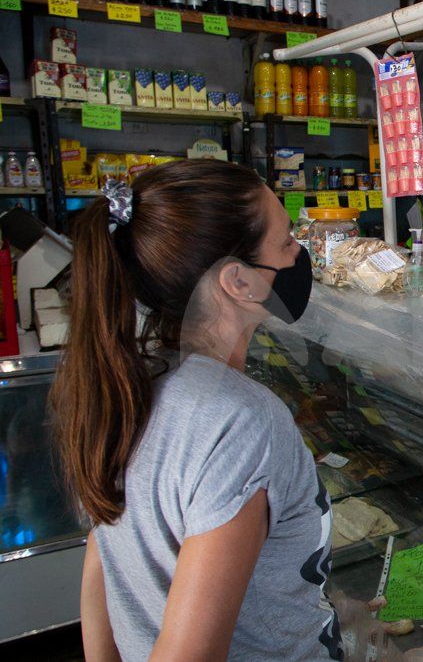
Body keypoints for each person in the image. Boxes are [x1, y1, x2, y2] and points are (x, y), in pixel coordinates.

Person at [49, 161, 341, 660]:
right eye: (287, 239)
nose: (300, 253)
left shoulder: (133, 380)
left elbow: (103, 550)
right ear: (239, 282)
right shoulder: (241, 420)